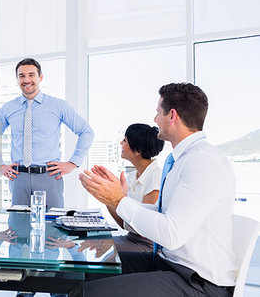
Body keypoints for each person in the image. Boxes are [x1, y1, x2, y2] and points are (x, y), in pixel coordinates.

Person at [77, 83, 237, 296]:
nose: (154, 120)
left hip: (198, 282)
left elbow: (171, 234)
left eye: (157, 112)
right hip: (168, 264)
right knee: (83, 268)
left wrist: (119, 200)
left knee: (90, 293)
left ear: (172, 116)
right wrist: (116, 197)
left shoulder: (202, 162)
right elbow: (162, 214)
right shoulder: (182, 159)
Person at [0, 58, 94, 207]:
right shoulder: (8, 108)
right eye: (22, 76)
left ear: (40, 77)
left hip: (49, 176)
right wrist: (0, 165)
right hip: (19, 178)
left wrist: (73, 162)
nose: (26, 80)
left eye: (31, 75)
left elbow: (86, 131)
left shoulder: (58, 106)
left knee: (52, 227)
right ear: (17, 79)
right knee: (19, 226)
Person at [109, 123, 164, 252]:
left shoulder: (155, 177)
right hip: (131, 239)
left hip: (148, 245)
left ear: (137, 150)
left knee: (101, 250)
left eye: (125, 140)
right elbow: (123, 223)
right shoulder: (132, 177)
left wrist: (116, 199)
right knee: (93, 244)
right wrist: (106, 198)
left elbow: (144, 230)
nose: (121, 143)